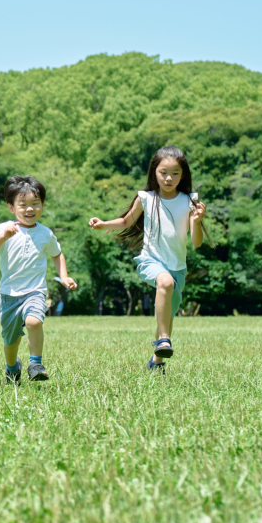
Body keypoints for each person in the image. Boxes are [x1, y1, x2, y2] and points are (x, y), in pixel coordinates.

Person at [89, 145, 206, 374]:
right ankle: (163, 339)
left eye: (175, 173)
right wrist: (104, 224)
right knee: (164, 283)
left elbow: (197, 242)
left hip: (178, 268)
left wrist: (198, 220)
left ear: (183, 175)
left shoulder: (189, 201)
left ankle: (156, 361)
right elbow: (125, 222)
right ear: (154, 172)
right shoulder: (146, 198)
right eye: (163, 172)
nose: (169, 178)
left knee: (168, 315)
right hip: (150, 260)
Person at [0, 176, 77, 385]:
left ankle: (35, 364)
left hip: (35, 291)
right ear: (11, 207)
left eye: (35, 204)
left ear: (42, 205)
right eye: (23, 204)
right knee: (11, 341)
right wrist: (4, 237)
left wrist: (63, 276)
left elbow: (56, 253)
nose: (30, 209)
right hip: (9, 294)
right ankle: (12, 367)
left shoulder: (45, 233)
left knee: (34, 321)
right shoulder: (5, 228)